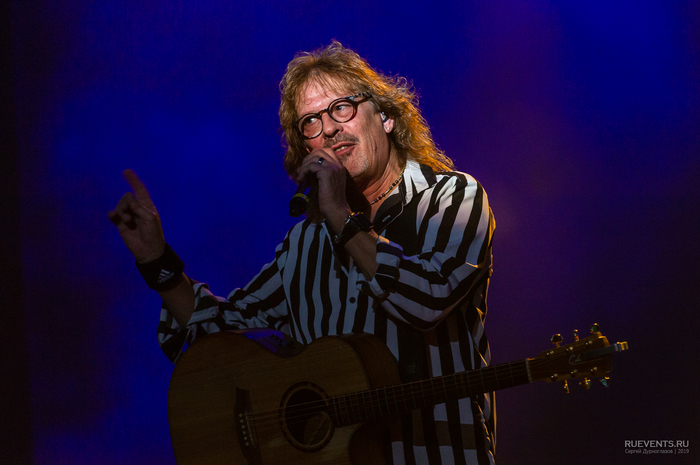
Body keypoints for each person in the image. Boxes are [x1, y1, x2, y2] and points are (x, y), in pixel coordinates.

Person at [109, 41, 496, 465]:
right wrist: (158, 263)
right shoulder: (306, 242)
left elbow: (428, 299)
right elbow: (223, 339)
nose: (328, 129)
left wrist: (341, 217)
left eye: (341, 108)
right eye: (310, 121)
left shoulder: (453, 197)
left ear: (385, 117)